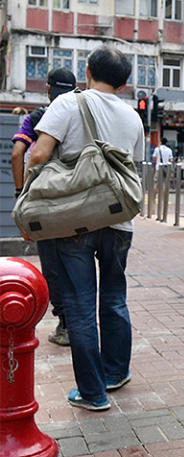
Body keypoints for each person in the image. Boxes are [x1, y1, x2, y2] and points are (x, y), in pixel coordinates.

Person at [25, 46, 144, 411]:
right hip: (118, 219)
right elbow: (132, 167)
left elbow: (40, 153)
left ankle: (93, 393)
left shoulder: (68, 104)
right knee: (113, 297)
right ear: (124, 84)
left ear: (87, 70)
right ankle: (114, 372)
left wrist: (31, 193)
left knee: (78, 306)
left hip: (73, 219)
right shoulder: (133, 118)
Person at [10, 67, 77, 346]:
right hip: (77, 201)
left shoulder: (37, 117)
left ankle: (65, 324)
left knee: (52, 264)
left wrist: (20, 192)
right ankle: (81, 321)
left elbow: (18, 153)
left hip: (45, 202)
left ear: (48, 89)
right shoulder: (81, 115)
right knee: (77, 262)